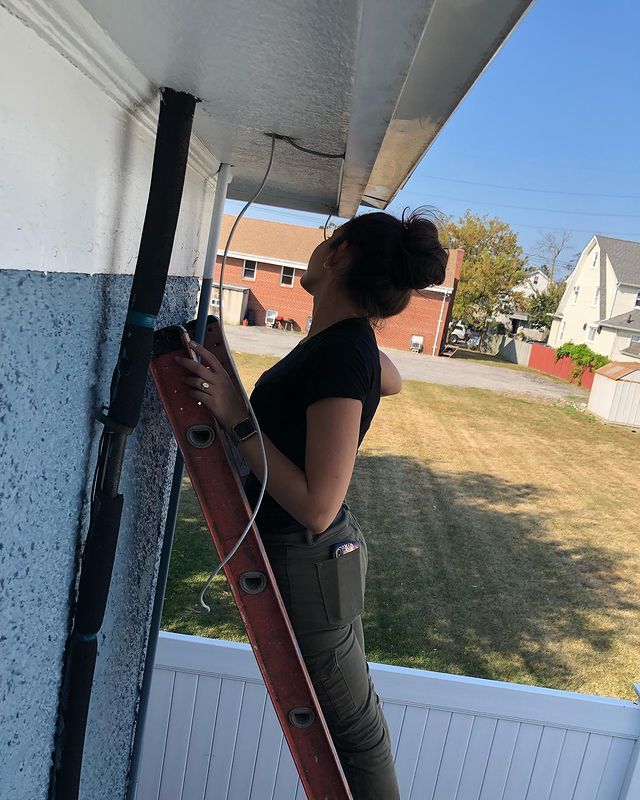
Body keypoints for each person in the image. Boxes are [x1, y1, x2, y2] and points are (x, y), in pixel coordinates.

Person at [177, 208, 447, 798]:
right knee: (355, 717)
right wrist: (359, 365)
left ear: (340, 255)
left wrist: (236, 417)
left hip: (308, 556)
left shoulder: (339, 353)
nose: (315, 250)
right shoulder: (341, 346)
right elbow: (389, 378)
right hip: (318, 560)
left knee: (354, 731)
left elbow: (318, 505)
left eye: (326, 241)